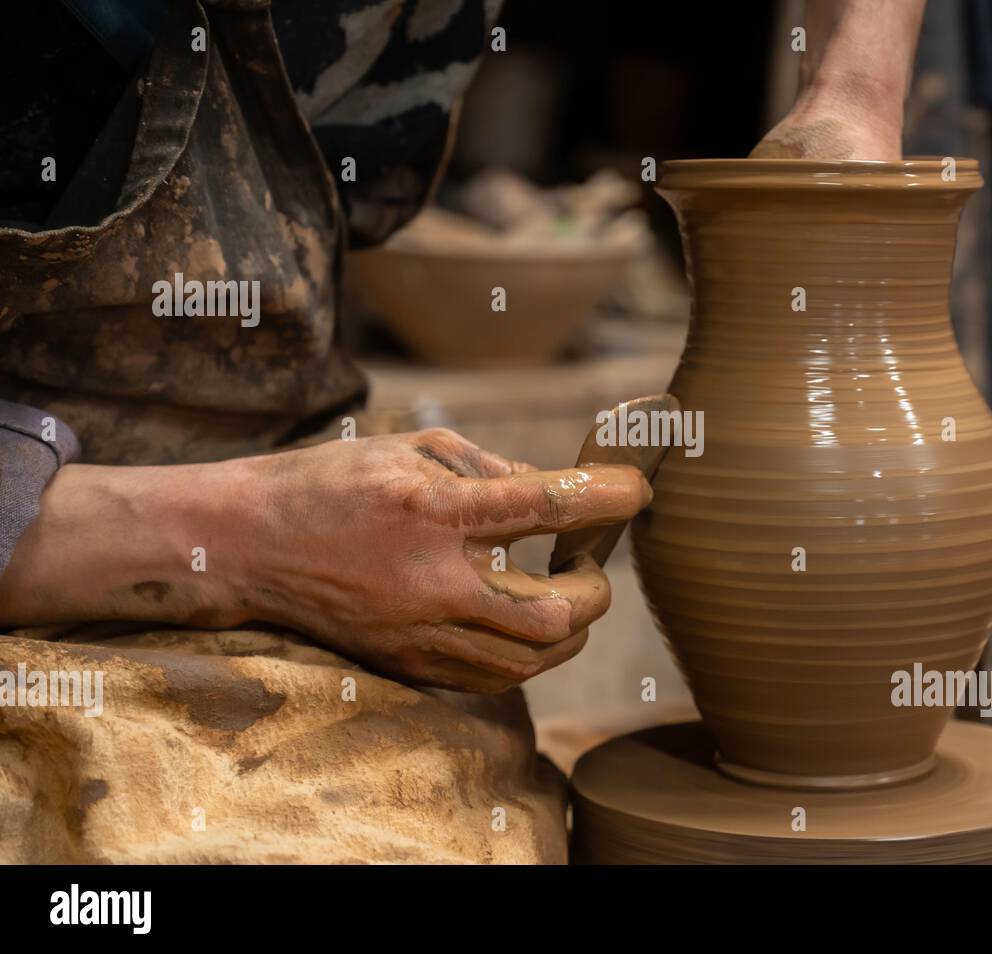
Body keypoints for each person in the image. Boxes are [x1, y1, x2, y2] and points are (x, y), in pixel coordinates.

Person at [0, 0, 925, 863]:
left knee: (448, 820)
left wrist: (854, 89)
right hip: (48, 546)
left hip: (273, 471)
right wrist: (247, 535)